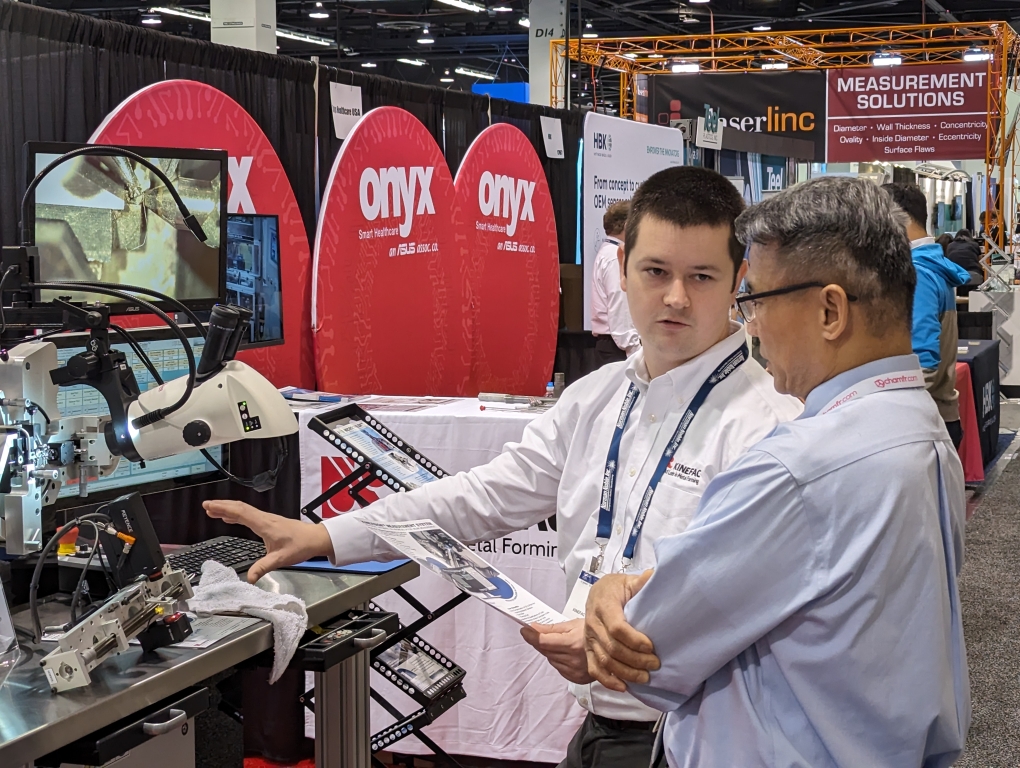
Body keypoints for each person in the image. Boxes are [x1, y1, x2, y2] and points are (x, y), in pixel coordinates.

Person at [204, 166, 803, 767]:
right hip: (598, 728)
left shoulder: (770, 423)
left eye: (701, 277)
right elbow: (481, 496)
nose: (675, 297)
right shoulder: (595, 398)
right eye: (656, 272)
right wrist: (324, 535)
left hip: (700, 738)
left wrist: (623, 640)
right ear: (622, 270)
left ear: (738, 281)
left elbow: (750, 599)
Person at [583, 176, 970, 768]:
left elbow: (643, 649)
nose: (752, 325)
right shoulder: (920, 427)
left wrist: (612, 588)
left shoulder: (798, 468)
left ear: (831, 310)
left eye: (756, 300)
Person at [883, 182, 969, 448]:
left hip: (921, 426)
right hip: (934, 418)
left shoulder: (918, 273)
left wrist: (886, 413)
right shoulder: (932, 265)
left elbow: (923, 362)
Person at [591, 200, 639, 365]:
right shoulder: (614, 257)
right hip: (618, 349)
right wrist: (636, 351)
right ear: (627, 225)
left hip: (614, 345)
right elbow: (620, 305)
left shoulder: (608, 252)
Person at [945, 229, 984, 296]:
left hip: (956, 277)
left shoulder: (950, 246)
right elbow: (980, 262)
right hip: (974, 276)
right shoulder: (974, 245)